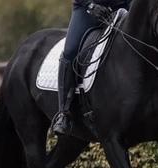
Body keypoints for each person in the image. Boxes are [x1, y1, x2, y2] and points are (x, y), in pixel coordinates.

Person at [51, 0, 132, 136]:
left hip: (122, 8)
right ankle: (64, 113)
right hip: (88, 10)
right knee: (70, 52)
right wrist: (90, 5)